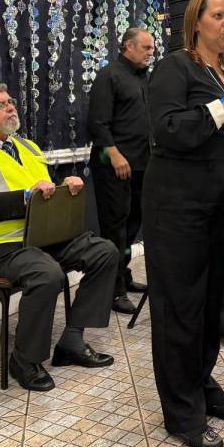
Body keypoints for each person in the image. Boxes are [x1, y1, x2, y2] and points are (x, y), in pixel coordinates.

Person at [143, 0, 224, 447]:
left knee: (210, 303)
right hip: (176, 204)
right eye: (219, 15)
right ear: (196, 22)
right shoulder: (176, 67)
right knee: (180, 307)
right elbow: (170, 130)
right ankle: (182, 413)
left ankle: (201, 383)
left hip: (218, 202)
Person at [0, 82, 118, 392]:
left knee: (104, 251)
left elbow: (47, 186)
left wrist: (66, 184)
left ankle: (72, 340)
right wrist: (24, 197)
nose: (11, 107)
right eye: (1, 105)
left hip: (40, 238)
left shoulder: (28, 147)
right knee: (47, 273)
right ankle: (24, 360)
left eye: (10, 101)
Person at [88, 27, 154, 314]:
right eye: (146, 47)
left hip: (140, 165)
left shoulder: (144, 78)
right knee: (114, 228)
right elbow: (97, 123)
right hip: (113, 166)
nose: (151, 52)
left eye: (152, 48)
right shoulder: (109, 75)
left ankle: (123, 276)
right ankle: (113, 291)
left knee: (131, 225)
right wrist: (114, 155)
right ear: (128, 46)